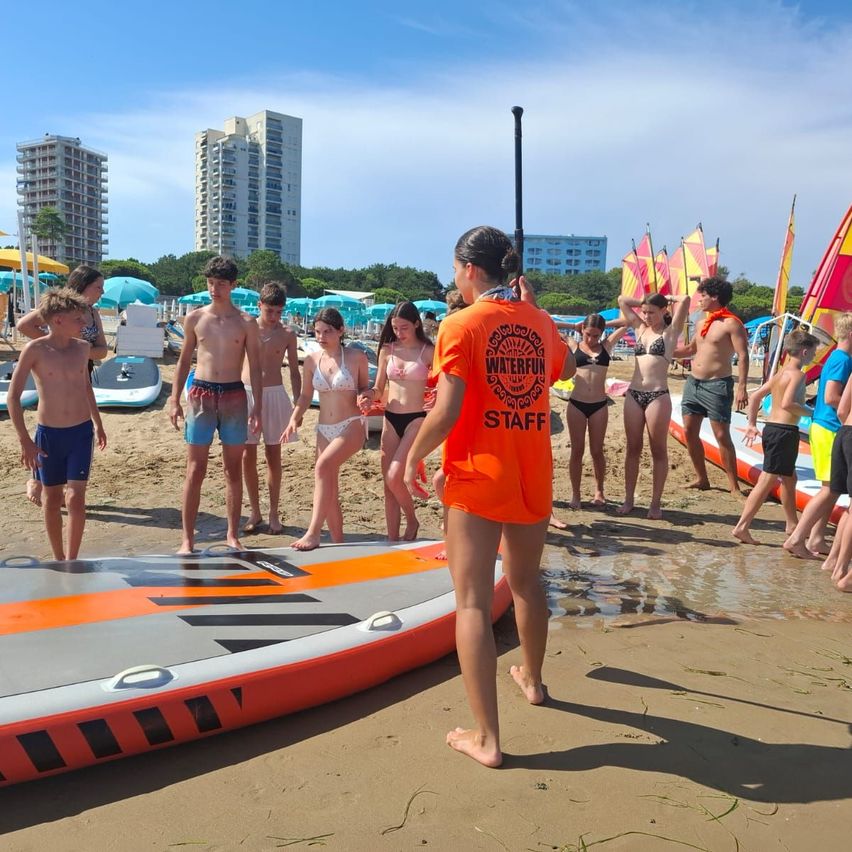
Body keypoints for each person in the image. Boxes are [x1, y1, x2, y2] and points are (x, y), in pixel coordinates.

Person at [403, 226, 573, 768]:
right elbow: (564, 367)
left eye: (455, 269)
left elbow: (447, 410)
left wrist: (412, 456)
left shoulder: (460, 324)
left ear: (470, 270)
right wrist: (536, 313)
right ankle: (536, 682)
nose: (456, 277)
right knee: (526, 583)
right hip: (531, 473)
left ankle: (487, 738)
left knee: (473, 601)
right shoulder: (539, 321)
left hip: (478, 475)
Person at [168, 256, 262, 554]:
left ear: (233, 285)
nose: (215, 289)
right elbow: (184, 361)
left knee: (232, 470)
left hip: (234, 394)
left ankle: (233, 534)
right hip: (201, 394)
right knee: (195, 469)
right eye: (211, 283)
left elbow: (256, 366)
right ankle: (187, 539)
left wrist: (257, 406)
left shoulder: (246, 322)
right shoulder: (196, 318)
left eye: (221, 283)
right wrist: (173, 399)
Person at [7, 288, 107, 561]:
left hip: (80, 432)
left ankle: (72, 559)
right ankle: (59, 557)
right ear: (59, 320)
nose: (84, 325)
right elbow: (13, 397)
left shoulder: (83, 349)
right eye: (78, 319)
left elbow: (86, 388)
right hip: (48, 434)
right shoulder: (35, 350)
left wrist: (98, 423)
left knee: (75, 497)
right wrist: (25, 441)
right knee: (51, 499)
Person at [16, 265, 108, 508]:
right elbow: (24, 325)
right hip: (52, 369)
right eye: (98, 287)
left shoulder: (93, 313)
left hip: (81, 367)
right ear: (83, 286)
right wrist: (52, 347)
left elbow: (103, 350)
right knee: (52, 419)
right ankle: (36, 480)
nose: (101, 291)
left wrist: (77, 350)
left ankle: (62, 484)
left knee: (74, 421)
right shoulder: (61, 307)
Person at [282, 308, 371, 551]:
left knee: (322, 468)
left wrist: (366, 397)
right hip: (323, 427)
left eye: (327, 331)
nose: (321, 336)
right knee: (328, 483)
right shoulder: (311, 360)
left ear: (341, 331)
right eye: (317, 331)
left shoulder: (356, 357)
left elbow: (365, 387)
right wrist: (294, 419)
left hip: (351, 424)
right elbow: (305, 396)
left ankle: (312, 533)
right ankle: (338, 543)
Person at [731, 329, 817, 544]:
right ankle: (742, 526)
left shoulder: (780, 373)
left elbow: (756, 395)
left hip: (772, 428)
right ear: (804, 351)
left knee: (790, 478)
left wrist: (751, 423)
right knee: (767, 479)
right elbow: (789, 403)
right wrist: (813, 412)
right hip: (784, 432)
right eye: (814, 352)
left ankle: (791, 524)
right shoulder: (798, 374)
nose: (814, 357)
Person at [783, 312, 852, 559]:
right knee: (829, 489)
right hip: (829, 427)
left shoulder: (840, 357)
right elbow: (832, 397)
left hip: (827, 426)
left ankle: (817, 537)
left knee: (832, 488)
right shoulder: (843, 359)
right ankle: (797, 537)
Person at [674, 277, 750, 495]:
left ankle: (734, 486)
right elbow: (690, 350)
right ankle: (702, 478)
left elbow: (743, 356)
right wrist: (665, 350)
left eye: (704, 295)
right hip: (693, 383)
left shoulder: (732, 323)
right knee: (689, 431)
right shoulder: (701, 323)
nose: (701, 299)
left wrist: (742, 387)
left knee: (721, 435)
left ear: (715, 297)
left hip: (717, 385)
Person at [618, 292, 691, 519]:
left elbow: (686, 300)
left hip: (657, 395)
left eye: (652, 312)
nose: (647, 316)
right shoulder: (640, 329)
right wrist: (644, 301)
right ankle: (629, 499)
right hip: (634, 394)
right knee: (632, 447)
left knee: (658, 448)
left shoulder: (670, 333)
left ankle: (655, 503)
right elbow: (622, 300)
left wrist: (668, 297)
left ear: (664, 311)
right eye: (644, 312)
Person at [369, 301, 435, 541]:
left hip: (415, 419)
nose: (399, 332)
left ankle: (413, 520)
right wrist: (368, 395)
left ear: (417, 324)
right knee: (388, 485)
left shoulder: (428, 351)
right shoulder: (388, 350)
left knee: (394, 475)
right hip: (390, 418)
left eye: (404, 327)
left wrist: (437, 398)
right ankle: (392, 539)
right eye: (395, 328)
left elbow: (442, 382)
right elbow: (378, 388)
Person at [241, 282, 302, 536]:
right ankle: (255, 511)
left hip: (276, 394)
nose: (275, 317)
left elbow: (295, 372)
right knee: (247, 456)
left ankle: (274, 511)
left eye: (278, 312)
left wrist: (299, 405)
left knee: (273, 455)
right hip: (246, 393)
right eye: (270, 311)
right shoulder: (247, 328)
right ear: (259, 306)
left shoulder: (287, 333)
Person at [563, 314, 628, 509]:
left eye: (596, 335)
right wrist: (573, 324)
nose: (591, 340)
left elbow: (627, 322)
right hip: (576, 404)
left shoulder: (606, 346)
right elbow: (547, 322)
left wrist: (606, 324)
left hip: (599, 405)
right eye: (588, 334)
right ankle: (576, 494)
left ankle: (599, 490)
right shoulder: (574, 344)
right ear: (582, 330)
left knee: (597, 451)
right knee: (577, 450)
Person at [817, 376, 852, 591]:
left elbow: (841, 410)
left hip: (845, 433)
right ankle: (843, 573)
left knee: (849, 507)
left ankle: (834, 562)